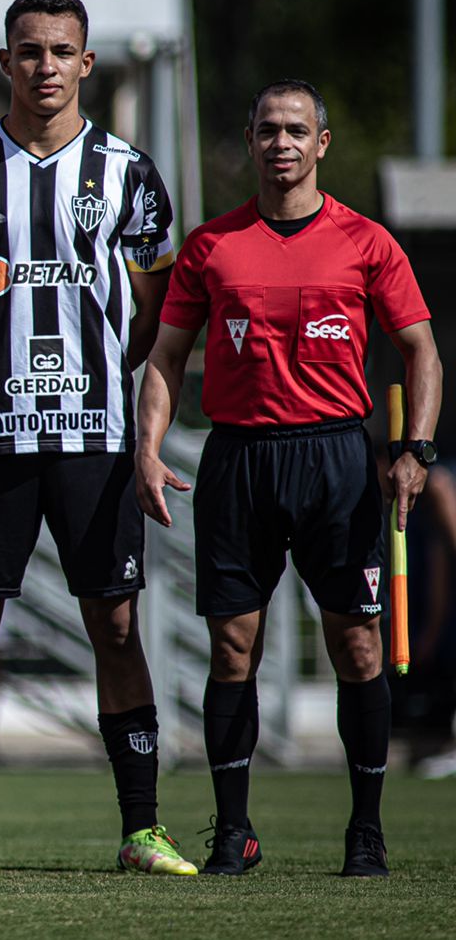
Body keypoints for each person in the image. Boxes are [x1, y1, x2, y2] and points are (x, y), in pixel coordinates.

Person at [0, 0, 195, 876]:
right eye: (28, 51)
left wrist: (103, 370)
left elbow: (154, 310)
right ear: (6, 63)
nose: (45, 67)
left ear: (87, 63)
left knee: (114, 624)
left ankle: (143, 830)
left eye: (61, 52)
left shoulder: (129, 172)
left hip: (96, 439)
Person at [136, 78, 443, 877]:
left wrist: (416, 450)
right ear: (250, 140)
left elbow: (422, 353)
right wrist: (147, 446)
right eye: (268, 129)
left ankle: (367, 831)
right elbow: (166, 357)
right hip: (238, 458)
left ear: (322, 144)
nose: (282, 143)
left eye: (297, 130)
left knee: (357, 644)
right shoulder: (210, 245)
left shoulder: (368, 242)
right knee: (232, 646)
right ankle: (233, 832)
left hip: (337, 457)